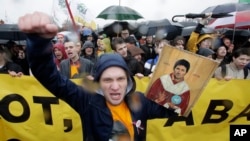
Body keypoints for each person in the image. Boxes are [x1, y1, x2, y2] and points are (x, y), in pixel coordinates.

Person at [18, 12, 177, 141]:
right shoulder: (87, 101)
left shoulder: (141, 102)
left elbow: (175, 108)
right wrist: (38, 42)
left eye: (120, 79)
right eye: (107, 80)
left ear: (128, 80)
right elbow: (49, 76)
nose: (115, 87)